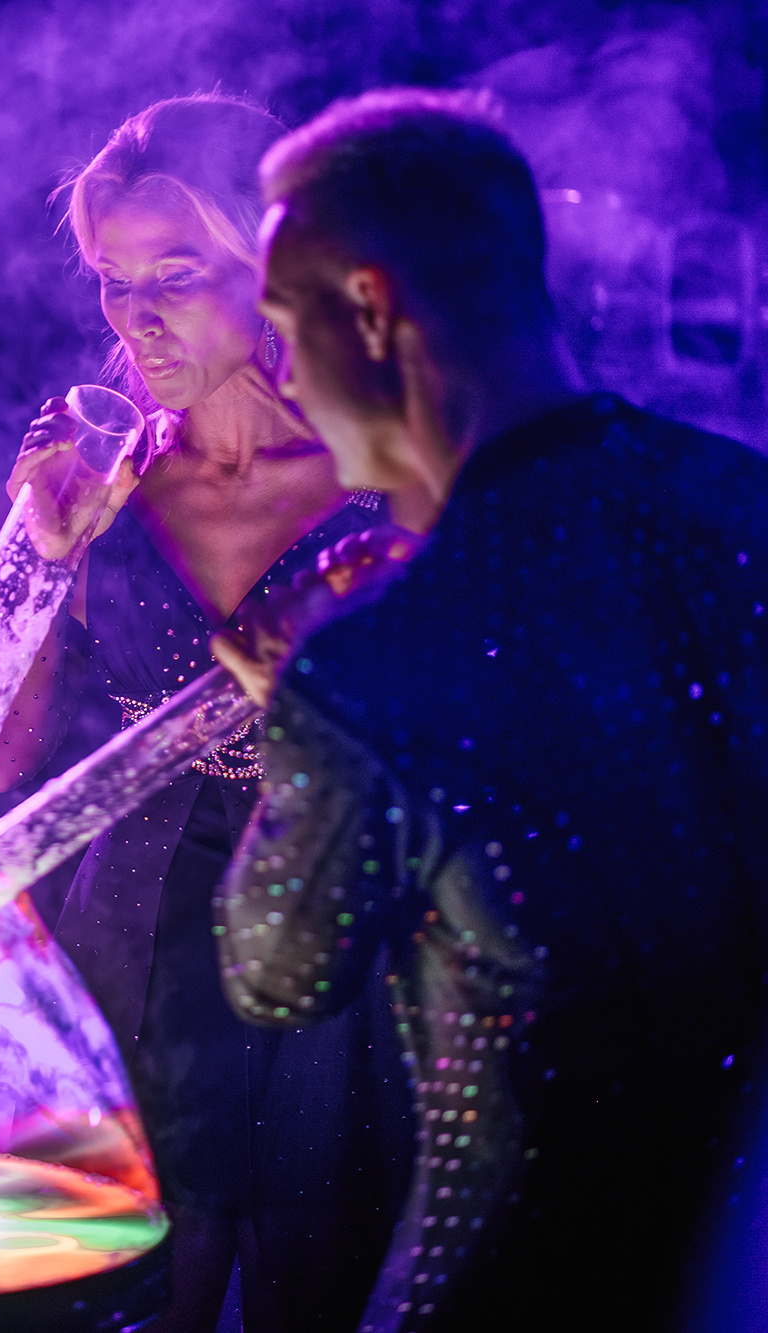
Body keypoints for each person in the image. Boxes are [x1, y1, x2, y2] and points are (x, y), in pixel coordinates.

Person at [213, 87, 768, 1330]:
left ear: (369, 310)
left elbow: (276, 972)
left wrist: (300, 710)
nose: (281, 373)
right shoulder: (743, 507)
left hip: (514, 1283)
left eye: (281, 322)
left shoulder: (374, 657)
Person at [0, 96, 412, 1331]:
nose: (136, 317)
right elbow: (9, 759)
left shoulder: (381, 467)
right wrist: (40, 557)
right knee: (134, 1294)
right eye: (114, 284)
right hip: (135, 925)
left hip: (333, 917)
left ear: (273, 262)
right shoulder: (91, 480)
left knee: (317, 1280)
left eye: (174, 274)